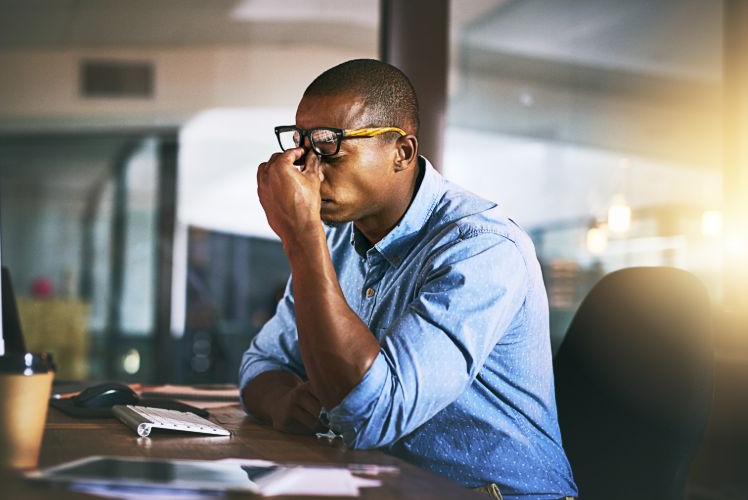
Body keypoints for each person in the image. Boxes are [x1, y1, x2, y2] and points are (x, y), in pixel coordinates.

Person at [239, 59, 577, 499]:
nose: (307, 169)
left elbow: (371, 413)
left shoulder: (482, 248)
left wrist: (302, 237)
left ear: (402, 152)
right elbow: (261, 363)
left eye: (329, 146)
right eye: (300, 145)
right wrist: (285, 401)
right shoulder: (340, 240)